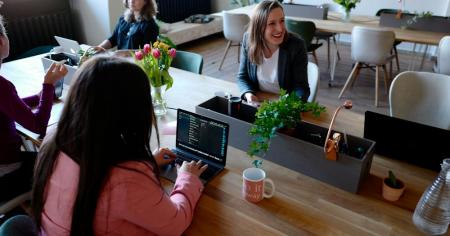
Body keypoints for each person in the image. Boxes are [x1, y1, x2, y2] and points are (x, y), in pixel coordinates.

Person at [31, 56, 207, 236]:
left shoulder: (53, 140)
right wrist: (187, 178)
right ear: (133, 112)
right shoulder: (125, 177)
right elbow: (175, 224)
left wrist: (149, 162)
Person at [0, 15, 67, 202]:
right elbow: (39, 126)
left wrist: (38, 97)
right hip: (8, 175)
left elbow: (8, 105)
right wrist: (48, 85)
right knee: (63, 163)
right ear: (1, 41)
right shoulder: (2, 86)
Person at [236, 0, 310, 104]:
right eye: (272, 23)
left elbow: (301, 88)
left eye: (282, 20)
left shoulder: (296, 45)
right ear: (259, 28)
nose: (280, 28)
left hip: (284, 106)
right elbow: (242, 77)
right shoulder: (248, 40)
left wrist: (287, 105)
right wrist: (249, 94)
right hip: (259, 102)